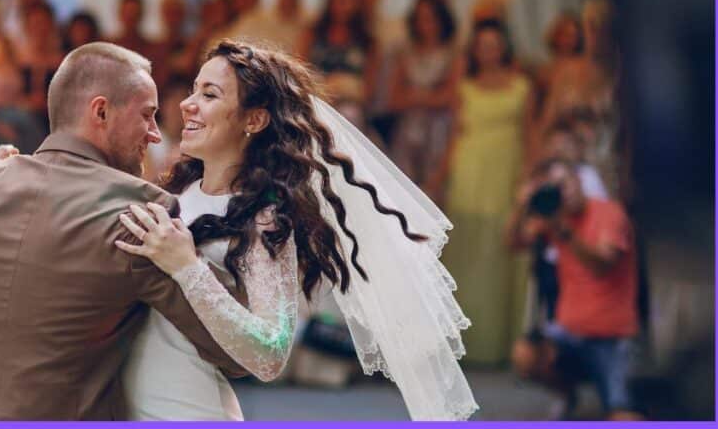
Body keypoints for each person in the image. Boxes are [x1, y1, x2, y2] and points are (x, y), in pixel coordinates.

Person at [110, 40, 476, 421]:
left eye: (210, 94)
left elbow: (271, 353)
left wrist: (188, 268)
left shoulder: (263, 220)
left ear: (254, 120)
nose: (188, 104)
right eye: (193, 90)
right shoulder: (176, 188)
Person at [0, 42, 249, 420]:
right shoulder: (139, 214)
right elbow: (231, 348)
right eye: (147, 115)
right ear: (101, 111)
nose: (155, 134)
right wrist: (189, 265)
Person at [507, 158, 643, 421]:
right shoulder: (553, 218)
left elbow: (602, 265)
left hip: (612, 338)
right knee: (525, 355)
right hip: (569, 333)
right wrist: (522, 206)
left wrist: (564, 231)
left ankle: (615, 400)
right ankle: (568, 393)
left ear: (579, 181)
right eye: (554, 188)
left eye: (565, 184)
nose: (562, 193)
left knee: (624, 417)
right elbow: (512, 244)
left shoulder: (609, 213)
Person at [436, 19, 536, 365]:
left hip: (507, 171)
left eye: (494, 44)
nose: (489, 50)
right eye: (482, 44)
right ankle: (471, 343)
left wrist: (528, 177)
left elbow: (530, 135)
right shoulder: (464, 86)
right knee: (471, 255)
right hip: (470, 169)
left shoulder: (523, 86)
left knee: (505, 249)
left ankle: (508, 343)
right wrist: (439, 180)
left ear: (505, 46)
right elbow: (453, 137)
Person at [387, 0, 459, 202]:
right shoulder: (406, 52)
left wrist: (415, 96)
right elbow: (394, 98)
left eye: (430, 19)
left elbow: (449, 97)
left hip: (438, 130)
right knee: (405, 190)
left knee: (434, 188)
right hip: (408, 130)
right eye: (420, 19)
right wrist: (429, 96)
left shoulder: (452, 54)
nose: (425, 25)